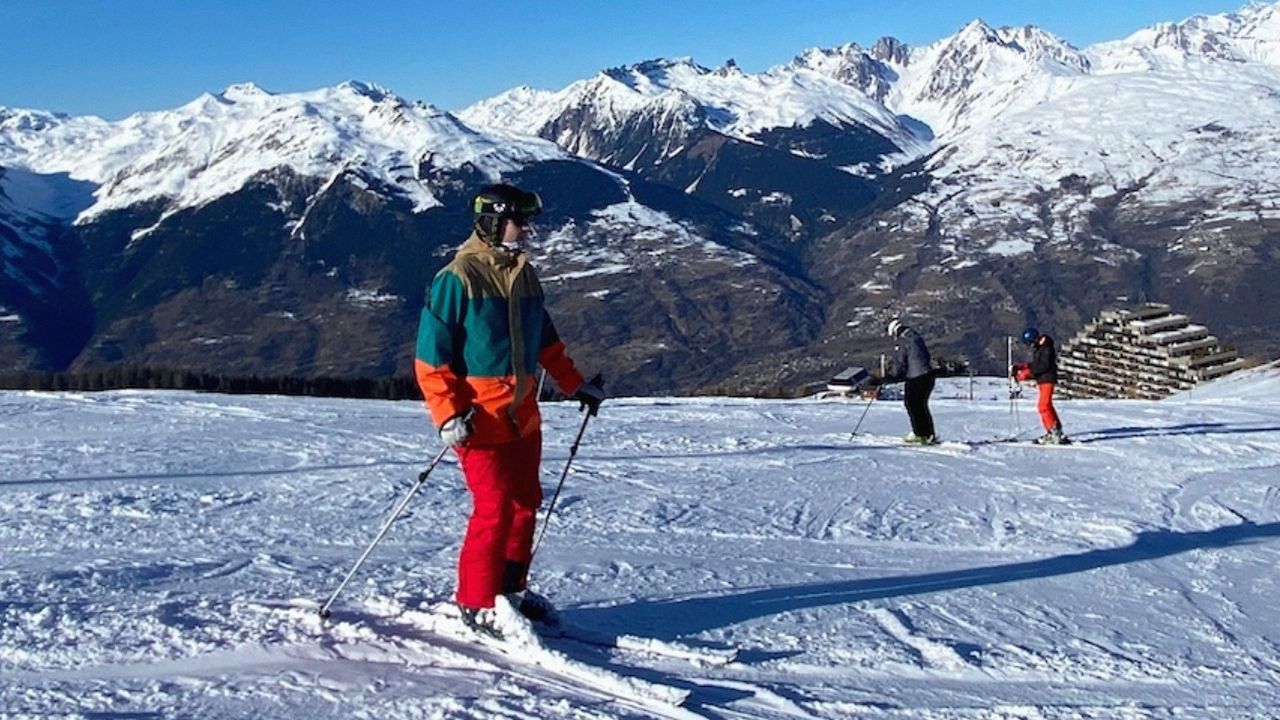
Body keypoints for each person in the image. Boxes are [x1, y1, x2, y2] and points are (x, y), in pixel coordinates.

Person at [415, 183, 606, 638]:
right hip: (479, 420)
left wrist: (575, 385)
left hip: (523, 418)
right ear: (495, 221)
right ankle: (477, 602)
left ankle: (510, 591)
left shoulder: (524, 276)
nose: (528, 232)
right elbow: (431, 358)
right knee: (494, 508)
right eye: (521, 222)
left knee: (524, 506)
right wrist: (447, 415)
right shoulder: (458, 279)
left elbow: (546, 342)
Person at [1013, 327, 1068, 444]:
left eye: (1030, 343)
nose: (1030, 346)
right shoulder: (1042, 348)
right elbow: (1037, 364)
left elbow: (1042, 366)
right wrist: (1023, 366)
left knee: (1043, 406)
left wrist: (1026, 373)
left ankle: (1053, 432)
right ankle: (1055, 430)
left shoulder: (1046, 348)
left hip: (1047, 379)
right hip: (1044, 380)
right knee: (1046, 406)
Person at [885, 319, 937, 444]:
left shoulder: (904, 341)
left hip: (916, 377)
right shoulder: (916, 337)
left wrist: (891, 375)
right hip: (928, 375)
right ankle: (928, 433)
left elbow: (900, 361)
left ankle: (920, 434)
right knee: (921, 405)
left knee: (912, 404)